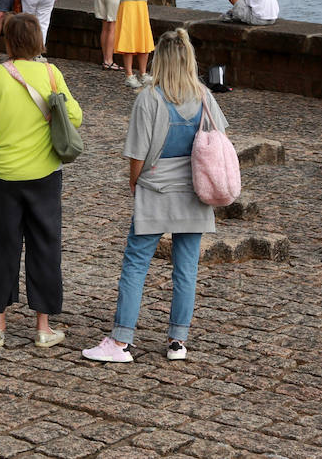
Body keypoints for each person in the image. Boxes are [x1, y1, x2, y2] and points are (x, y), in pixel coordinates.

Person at [82, 28, 227, 363]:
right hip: (193, 190)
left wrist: (134, 183)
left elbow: (136, 152)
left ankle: (121, 341)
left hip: (156, 186)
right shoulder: (204, 95)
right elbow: (217, 141)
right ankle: (178, 341)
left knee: (136, 263)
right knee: (186, 267)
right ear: (189, 59)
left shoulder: (149, 97)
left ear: (159, 59)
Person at [0, 13, 80, 349]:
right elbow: (75, 116)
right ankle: (43, 326)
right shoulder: (51, 74)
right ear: (37, 42)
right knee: (44, 247)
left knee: (0, 246)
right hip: (44, 175)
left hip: (1, 175)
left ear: (8, 41)